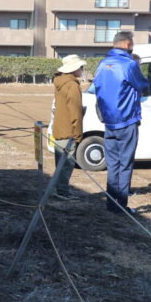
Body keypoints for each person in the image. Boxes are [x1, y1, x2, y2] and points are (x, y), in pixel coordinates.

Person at [92, 31, 150, 214]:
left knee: (112, 164)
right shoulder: (129, 64)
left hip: (109, 121)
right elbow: (143, 85)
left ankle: (111, 204)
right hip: (127, 120)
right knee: (125, 164)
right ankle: (121, 205)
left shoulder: (103, 64)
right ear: (127, 44)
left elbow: (96, 88)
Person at [51, 54, 85, 200]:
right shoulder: (72, 85)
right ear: (74, 69)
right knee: (67, 163)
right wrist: (77, 133)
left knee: (60, 162)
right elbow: (75, 110)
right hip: (69, 130)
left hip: (59, 127)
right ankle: (62, 192)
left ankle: (58, 189)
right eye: (81, 67)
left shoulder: (60, 82)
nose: (82, 69)